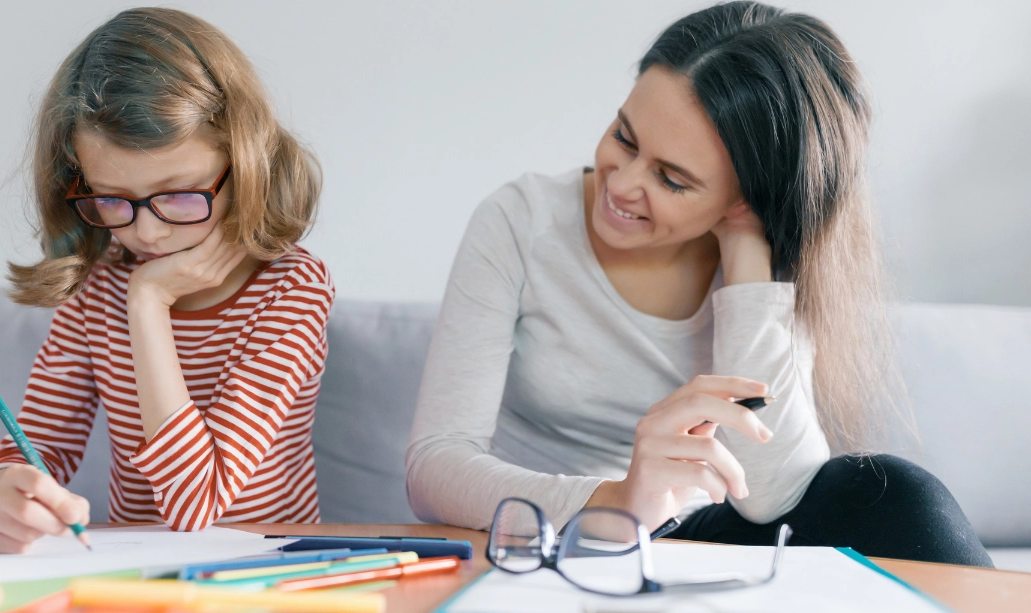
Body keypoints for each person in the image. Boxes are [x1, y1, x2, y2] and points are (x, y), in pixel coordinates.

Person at [406, 1, 992, 566]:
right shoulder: (520, 220)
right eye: (625, 137)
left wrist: (743, 251)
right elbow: (434, 468)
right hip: (558, 535)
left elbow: (772, 494)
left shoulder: (772, 260)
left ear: (741, 198)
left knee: (895, 496)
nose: (623, 185)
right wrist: (619, 501)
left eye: (672, 179)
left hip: (699, 536)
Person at [0, 8, 332, 553]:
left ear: (245, 159)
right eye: (112, 199)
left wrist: (148, 302)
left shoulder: (293, 288)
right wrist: (4, 490)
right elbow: (37, 446)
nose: (146, 232)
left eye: (181, 195)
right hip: (138, 577)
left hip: (267, 575)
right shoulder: (97, 288)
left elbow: (196, 504)